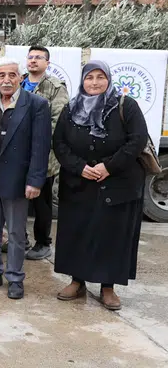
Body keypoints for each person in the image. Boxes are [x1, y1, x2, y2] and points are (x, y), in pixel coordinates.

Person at [53, 61, 148, 311]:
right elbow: (59, 143)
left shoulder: (125, 106)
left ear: (108, 79)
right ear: (82, 81)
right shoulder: (71, 108)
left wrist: (109, 167)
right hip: (80, 183)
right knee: (78, 232)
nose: (94, 82)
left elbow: (136, 140)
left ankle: (108, 287)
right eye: (89, 77)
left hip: (116, 183)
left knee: (112, 235)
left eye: (100, 77)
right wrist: (80, 167)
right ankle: (77, 281)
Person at [0, 57, 51, 300]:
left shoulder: (36, 105)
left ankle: (15, 278)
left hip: (17, 179)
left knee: (15, 232)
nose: (6, 80)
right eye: (2, 75)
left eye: (12, 75)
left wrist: (35, 180)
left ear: (20, 78)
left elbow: (41, 146)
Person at [20, 46, 69, 261]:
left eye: (38, 58)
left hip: (43, 156)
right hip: (17, 154)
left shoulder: (55, 87)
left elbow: (58, 120)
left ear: (47, 63)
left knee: (41, 203)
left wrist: (38, 144)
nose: (33, 60)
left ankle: (42, 242)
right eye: (30, 57)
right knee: (17, 200)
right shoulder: (19, 83)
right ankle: (19, 238)